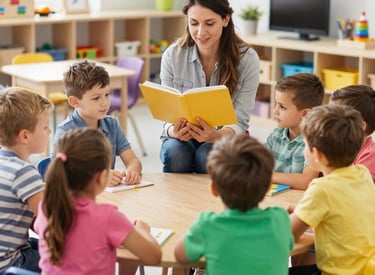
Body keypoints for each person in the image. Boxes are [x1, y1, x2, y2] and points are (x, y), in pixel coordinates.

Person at [34, 128, 161, 275]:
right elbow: (154, 257)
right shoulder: (107, 217)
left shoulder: (46, 208)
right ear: (102, 177)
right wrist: (142, 231)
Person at [159, 0, 260, 173]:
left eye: (209, 23)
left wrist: (216, 136)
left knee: (207, 156)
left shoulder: (247, 59)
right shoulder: (172, 55)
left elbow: (240, 120)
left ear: (225, 20)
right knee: (176, 154)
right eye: (194, 23)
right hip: (183, 136)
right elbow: (167, 116)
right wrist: (174, 131)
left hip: (223, 136)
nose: (200, 32)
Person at [174, 134, 294, 274]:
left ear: (214, 189)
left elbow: (179, 256)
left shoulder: (206, 225)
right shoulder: (280, 219)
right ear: (268, 186)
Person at [289, 104, 375, 275]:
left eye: (305, 145)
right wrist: (304, 212)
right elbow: (343, 216)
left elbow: (287, 236)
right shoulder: (362, 174)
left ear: (318, 154)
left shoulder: (322, 188)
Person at [52, 60, 142, 186]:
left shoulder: (111, 125)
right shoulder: (65, 132)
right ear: (74, 102)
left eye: (107, 94)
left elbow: (132, 160)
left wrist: (132, 170)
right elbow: (59, 174)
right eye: (96, 98)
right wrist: (97, 177)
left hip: (109, 194)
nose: (104, 103)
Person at [0, 87, 52, 273]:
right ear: (25, 136)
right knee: (74, 256)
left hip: (7, 252)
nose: (50, 131)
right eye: (45, 127)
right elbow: (51, 219)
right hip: (11, 264)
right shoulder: (23, 172)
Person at [264, 73, 324, 190]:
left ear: (305, 113)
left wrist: (267, 176)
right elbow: (258, 165)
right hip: (275, 197)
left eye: (282, 107)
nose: (275, 111)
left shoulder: (315, 142)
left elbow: (306, 181)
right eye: (276, 104)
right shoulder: (276, 135)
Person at [330, 84, 375, 182]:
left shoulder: (371, 155)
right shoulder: (336, 145)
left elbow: (354, 187)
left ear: (360, 126)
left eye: (334, 117)